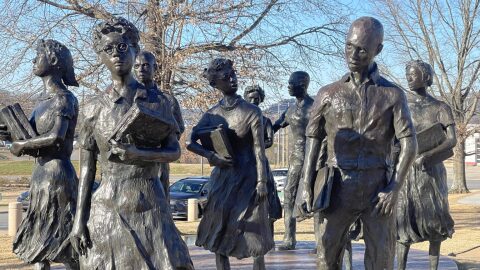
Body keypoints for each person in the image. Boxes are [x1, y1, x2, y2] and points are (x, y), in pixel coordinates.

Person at [69, 17, 193, 269]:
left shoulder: (160, 101)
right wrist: (78, 222)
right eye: (108, 49)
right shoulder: (92, 108)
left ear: (136, 50)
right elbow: (86, 170)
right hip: (108, 206)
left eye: (123, 47)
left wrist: (137, 153)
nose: (116, 54)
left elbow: (173, 151)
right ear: (100, 56)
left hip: (149, 202)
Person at [302, 17, 417, 269]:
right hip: (337, 187)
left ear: (378, 50)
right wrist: (306, 183)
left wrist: (394, 188)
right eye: (349, 46)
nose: (353, 55)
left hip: (378, 188)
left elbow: (410, 142)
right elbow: (313, 137)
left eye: (362, 49)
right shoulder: (328, 93)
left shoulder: (393, 94)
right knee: (327, 257)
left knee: (381, 260)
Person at [187, 58, 274, 270]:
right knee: (219, 230)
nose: (233, 79)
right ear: (216, 84)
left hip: (249, 178)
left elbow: (258, 150)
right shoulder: (211, 114)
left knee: (256, 235)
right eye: (226, 77)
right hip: (222, 180)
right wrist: (211, 156)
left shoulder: (252, 111)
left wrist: (262, 181)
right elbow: (190, 142)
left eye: (233, 74)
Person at [10, 39, 79, 270]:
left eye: (37, 55)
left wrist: (23, 145)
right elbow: (27, 138)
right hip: (40, 175)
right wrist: (11, 134)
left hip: (58, 175)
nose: (32, 60)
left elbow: (56, 137)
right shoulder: (42, 103)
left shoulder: (64, 99)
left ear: (52, 60)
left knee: (65, 239)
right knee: (38, 240)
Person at [396, 60, 456, 270]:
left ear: (426, 77)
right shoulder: (402, 106)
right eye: (407, 74)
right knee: (403, 224)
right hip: (406, 173)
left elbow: (452, 140)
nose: (409, 79)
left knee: (434, 224)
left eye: (413, 74)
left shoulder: (440, 107)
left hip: (431, 173)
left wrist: (428, 155)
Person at [134, 51, 185, 200]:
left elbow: (178, 130)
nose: (141, 69)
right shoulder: (129, 99)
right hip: (133, 162)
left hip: (159, 163)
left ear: (155, 68)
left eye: (145, 65)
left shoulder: (168, 100)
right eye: (137, 66)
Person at [273, 71, 314, 250]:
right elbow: (272, 128)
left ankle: (321, 243)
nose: (288, 85)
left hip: (314, 156)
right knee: (289, 194)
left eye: (292, 83)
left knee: (314, 197)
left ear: (303, 84)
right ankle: (289, 238)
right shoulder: (290, 110)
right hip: (296, 158)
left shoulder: (315, 107)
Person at [244, 85, 282, 223]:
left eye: (257, 99)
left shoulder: (265, 121)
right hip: (242, 161)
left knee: (268, 191)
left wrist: (256, 146)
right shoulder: (240, 121)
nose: (254, 101)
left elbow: (269, 141)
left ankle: (269, 217)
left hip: (259, 161)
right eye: (251, 98)